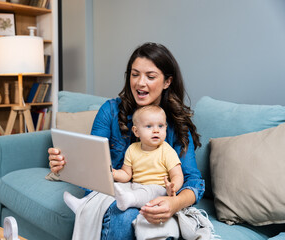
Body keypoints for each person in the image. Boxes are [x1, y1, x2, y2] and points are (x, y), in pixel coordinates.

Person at [48, 42, 205, 239]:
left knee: (133, 215)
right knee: (123, 214)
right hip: (112, 193)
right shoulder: (110, 111)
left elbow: (193, 180)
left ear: (167, 82)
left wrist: (174, 203)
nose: (140, 83)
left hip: (155, 194)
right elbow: (92, 164)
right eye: (135, 74)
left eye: (150, 76)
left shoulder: (175, 124)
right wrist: (65, 164)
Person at [63, 105, 183, 212]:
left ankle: (129, 200)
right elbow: (126, 174)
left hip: (157, 189)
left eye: (161, 126)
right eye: (149, 126)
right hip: (134, 185)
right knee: (113, 189)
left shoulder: (166, 150)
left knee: (146, 192)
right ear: (136, 131)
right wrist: (114, 174)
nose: (156, 130)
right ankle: (84, 205)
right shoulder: (132, 149)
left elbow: (177, 174)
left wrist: (172, 187)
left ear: (166, 128)